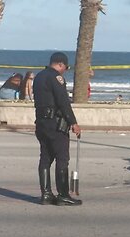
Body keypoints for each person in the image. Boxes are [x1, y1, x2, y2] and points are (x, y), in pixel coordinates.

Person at [33, 52, 82, 206]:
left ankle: (46, 194)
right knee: (62, 158)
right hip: (55, 124)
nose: (65, 71)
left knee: (45, 158)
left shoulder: (39, 76)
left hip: (41, 122)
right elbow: (63, 101)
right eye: (65, 68)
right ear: (60, 64)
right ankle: (63, 195)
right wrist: (73, 122)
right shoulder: (56, 77)